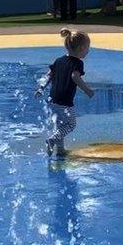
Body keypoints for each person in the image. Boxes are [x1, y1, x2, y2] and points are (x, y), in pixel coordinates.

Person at [36, 28, 95, 158]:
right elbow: (75, 77)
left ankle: (60, 150)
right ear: (81, 48)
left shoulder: (59, 60)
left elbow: (49, 75)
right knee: (71, 124)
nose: (88, 51)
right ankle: (52, 140)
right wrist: (87, 90)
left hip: (52, 99)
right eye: (87, 48)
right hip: (65, 101)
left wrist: (41, 88)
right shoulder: (78, 63)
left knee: (60, 124)